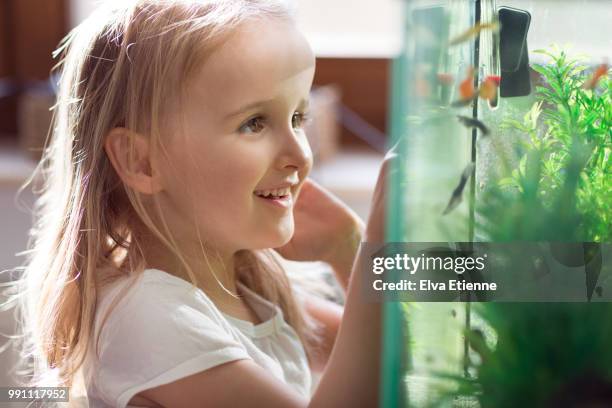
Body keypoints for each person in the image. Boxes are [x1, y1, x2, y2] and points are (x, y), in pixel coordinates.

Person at [5, 0, 394, 406]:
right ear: (142, 161)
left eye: (298, 117)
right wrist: (378, 249)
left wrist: (348, 245)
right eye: (254, 123)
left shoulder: (240, 285)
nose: (300, 155)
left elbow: (398, 356)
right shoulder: (148, 316)